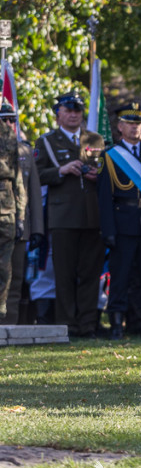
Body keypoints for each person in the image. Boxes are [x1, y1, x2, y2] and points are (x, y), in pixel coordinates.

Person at [34, 91, 106, 338]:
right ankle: (66, 324)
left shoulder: (95, 140)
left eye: (77, 110)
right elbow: (36, 175)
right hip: (63, 216)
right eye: (69, 110)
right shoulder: (46, 142)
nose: (74, 114)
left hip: (92, 215)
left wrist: (99, 176)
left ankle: (88, 324)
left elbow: (108, 173)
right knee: (64, 274)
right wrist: (61, 170)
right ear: (58, 115)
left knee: (90, 272)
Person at [96, 103, 141, 339]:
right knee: (120, 275)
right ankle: (117, 324)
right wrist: (108, 230)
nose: (135, 128)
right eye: (130, 123)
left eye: (138, 124)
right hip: (122, 225)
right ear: (120, 127)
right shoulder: (110, 156)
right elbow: (104, 198)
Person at [0, 101, 42, 326]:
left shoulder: (24, 150)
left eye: (12, 120)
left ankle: (8, 329)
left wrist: (36, 228)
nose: (8, 124)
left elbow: (30, 191)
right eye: (4, 119)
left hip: (15, 222)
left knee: (14, 281)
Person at [0, 99, 26, 327]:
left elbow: (17, 180)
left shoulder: (9, 138)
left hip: (5, 212)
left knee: (5, 270)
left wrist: (21, 217)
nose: (8, 123)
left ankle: (2, 318)